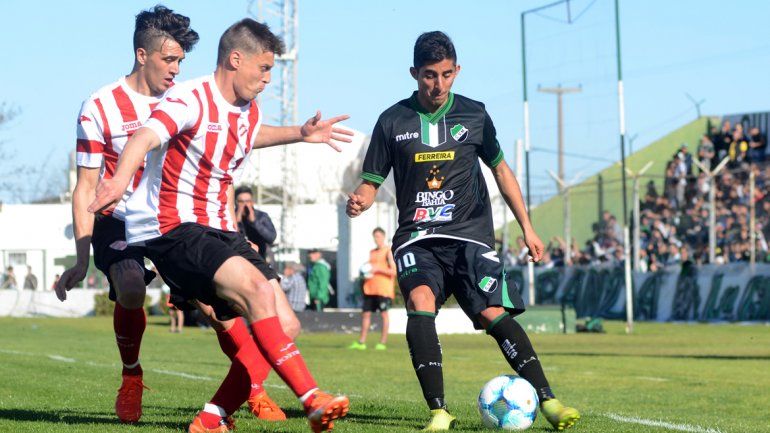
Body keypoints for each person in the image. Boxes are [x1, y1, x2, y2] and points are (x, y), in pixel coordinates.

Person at [88, 18, 352, 433]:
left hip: (220, 230)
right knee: (258, 291)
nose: (267, 79)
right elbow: (143, 137)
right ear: (235, 59)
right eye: (264, 69)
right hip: (172, 227)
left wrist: (300, 134)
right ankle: (311, 398)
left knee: (286, 325)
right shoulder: (189, 97)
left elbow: (249, 133)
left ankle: (211, 419)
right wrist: (120, 179)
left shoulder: (248, 110)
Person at [346, 31, 580, 431]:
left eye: (447, 74)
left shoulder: (475, 114)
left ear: (457, 71)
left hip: (469, 234)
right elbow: (370, 181)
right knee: (419, 301)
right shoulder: (391, 121)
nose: (439, 85)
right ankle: (438, 411)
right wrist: (361, 198)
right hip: (418, 237)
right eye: (430, 75)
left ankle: (549, 401)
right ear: (414, 73)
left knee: (492, 312)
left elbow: (501, 171)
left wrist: (527, 227)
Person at [53, 6, 199, 423]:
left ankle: (253, 388)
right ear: (141, 54)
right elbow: (85, 186)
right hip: (118, 220)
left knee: (215, 306)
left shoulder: (185, 101)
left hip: (175, 216)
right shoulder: (99, 105)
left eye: (181, 62)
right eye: (169, 59)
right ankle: (132, 377)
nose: (176, 70)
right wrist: (81, 259)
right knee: (132, 288)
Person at [349, 227, 395, 350]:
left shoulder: (388, 251)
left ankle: (382, 342)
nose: (377, 239)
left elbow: (394, 271)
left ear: (384, 237)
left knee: (384, 315)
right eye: (375, 236)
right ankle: (361, 342)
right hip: (369, 288)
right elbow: (370, 268)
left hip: (383, 290)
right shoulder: (372, 252)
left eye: (379, 236)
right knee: (366, 315)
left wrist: (378, 269)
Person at [235, 185, 277, 263]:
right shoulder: (230, 217)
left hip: (259, 261)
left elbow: (271, 238)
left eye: (247, 201)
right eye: (241, 202)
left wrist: (254, 222)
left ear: (252, 202)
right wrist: (237, 222)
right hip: (238, 262)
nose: (245, 205)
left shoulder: (262, 216)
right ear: (236, 202)